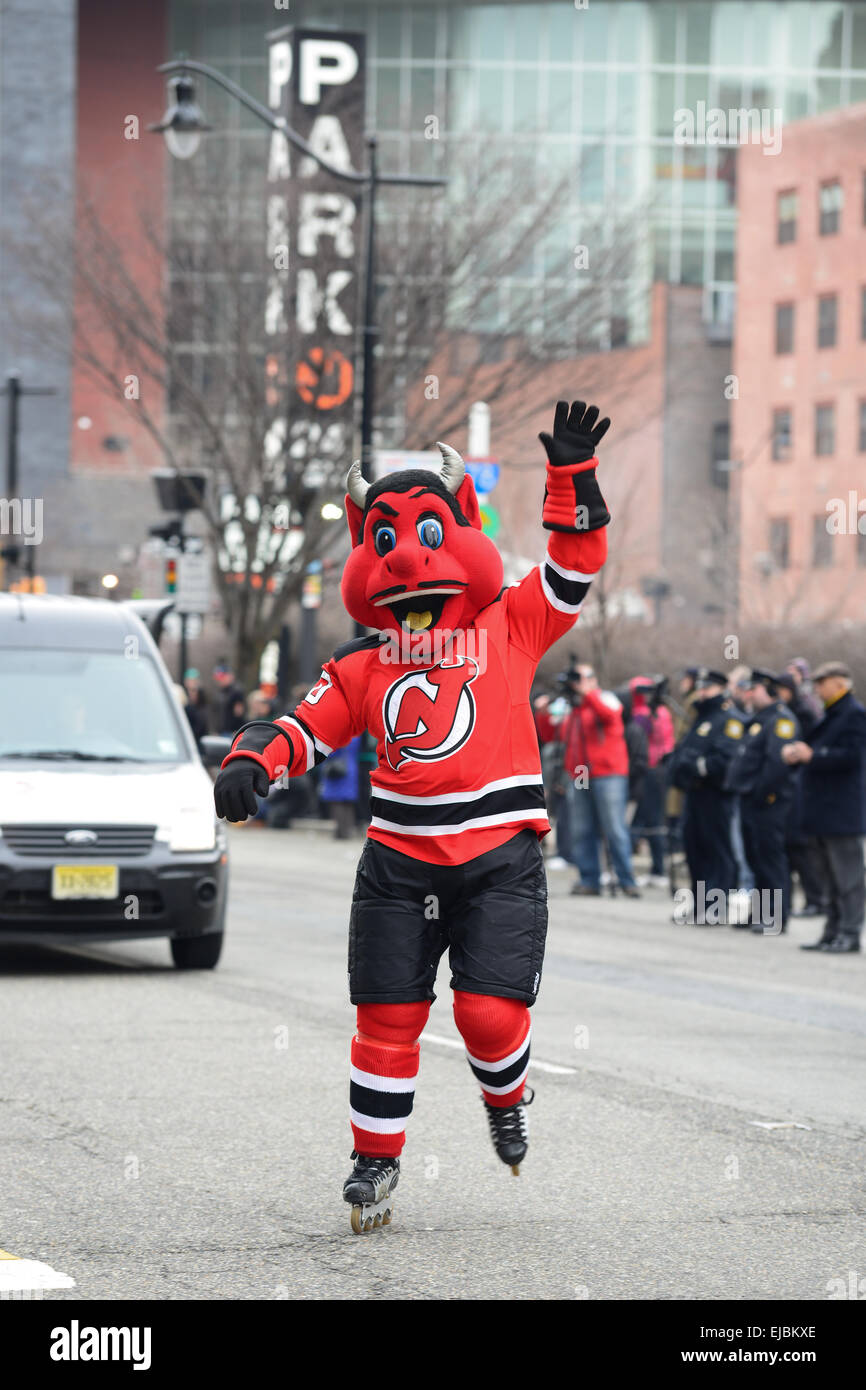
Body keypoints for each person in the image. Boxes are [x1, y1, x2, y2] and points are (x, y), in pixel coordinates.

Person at [211, 398, 614, 1232]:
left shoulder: (511, 623)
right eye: (384, 541)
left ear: (460, 528)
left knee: (487, 1015)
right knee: (386, 1017)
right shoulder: (363, 662)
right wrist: (252, 761)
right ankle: (375, 1160)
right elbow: (302, 725)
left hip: (499, 856)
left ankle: (505, 1094)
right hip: (399, 864)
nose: (404, 562)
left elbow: (573, 565)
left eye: (426, 533)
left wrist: (571, 477)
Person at [783, 662, 866, 954]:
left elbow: (851, 758)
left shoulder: (854, 715)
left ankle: (850, 932)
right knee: (828, 877)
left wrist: (812, 755)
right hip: (822, 811)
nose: (817, 689)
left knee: (848, 878)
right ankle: (832, 931)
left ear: (840, 684)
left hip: (841, 811)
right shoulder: (830, 716)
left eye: (823, 682)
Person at [725, 669, 800, 933]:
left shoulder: (781, 721)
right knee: (755, 859)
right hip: (750, 799)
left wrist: (761, 793)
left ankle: (776, 916)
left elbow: (777, 765)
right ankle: (760, 910)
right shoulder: (759, 720)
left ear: (769, 691)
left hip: (769, 801)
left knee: (771, 860)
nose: (748, 694)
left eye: (754, 689)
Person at [557, 664, 640, 898]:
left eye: (582, 678)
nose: (577, 683)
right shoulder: (574, 708)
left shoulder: (606, 698)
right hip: (581, 774)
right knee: (582, 829)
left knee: (615, 828)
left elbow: (609, 715)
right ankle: (589, 880)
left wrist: (588, 694)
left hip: (609, 774)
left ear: (593, 680)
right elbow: (561, 736)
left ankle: (627, 880)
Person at [668, 668, 744, 921]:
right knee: (694, 848)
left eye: (708, 688)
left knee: (717, 850)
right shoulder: (701, 717)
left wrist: (698, 766)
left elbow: (726, 757)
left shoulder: (729, 719)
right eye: (700, 688)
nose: (702, 693)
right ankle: (700, 904)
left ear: (721, 689)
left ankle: (715, 906)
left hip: (716, 793)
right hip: (695, 793)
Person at [775, 673, 827, 917]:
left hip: (801, 784)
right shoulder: (787, 711)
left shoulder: (802, 712)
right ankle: (810, 900)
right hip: (795, 783)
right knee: (794, 849)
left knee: (802, 849)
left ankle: (816, 899)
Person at [629, 675, 674, 888]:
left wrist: (649, 713)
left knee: (651, 821)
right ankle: (654, 868)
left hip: (653, 770)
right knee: (643, 820)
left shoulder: (655, 713)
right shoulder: (647, 713)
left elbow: (654, 738)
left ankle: (658, 869)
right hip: (647, 770)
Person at [213, 661, 246, 737]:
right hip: (221, 732)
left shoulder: (237, 691)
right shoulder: (221, 692)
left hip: (231, 732)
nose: (220, 680)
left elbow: (239, 713)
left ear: (230, 676)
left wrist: (237, 730)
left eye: (223, 677)